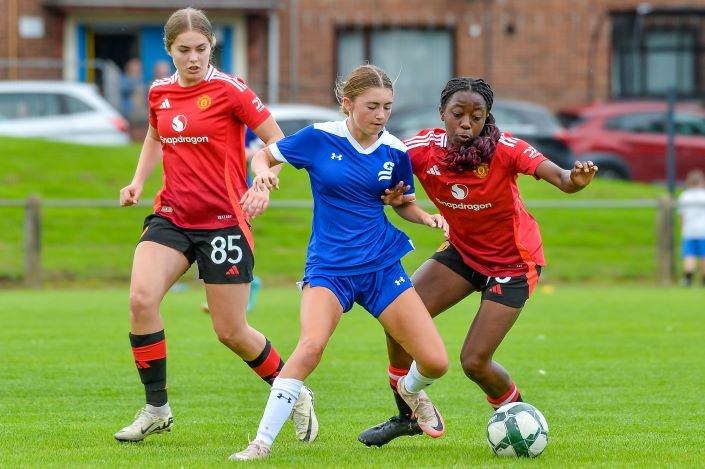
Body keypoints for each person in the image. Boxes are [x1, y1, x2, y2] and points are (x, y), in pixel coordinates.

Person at [357, 76, 598, 447]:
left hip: (512, 264)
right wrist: (392, 197)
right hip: (462, 253)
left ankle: (520, 418)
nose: (466, 123)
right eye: (458, 114)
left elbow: (562, 179)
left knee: (474, 362)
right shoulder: (420, 149)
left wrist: (575, 181)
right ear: (442, 114)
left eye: (476, 115)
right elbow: (384, 181)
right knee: (398, 316)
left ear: (488, 117)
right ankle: (409, 415)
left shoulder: (506, 149)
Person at [114, 7, 317, 445]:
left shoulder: (231, 90)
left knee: (231, 331)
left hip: (224, 221)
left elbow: (276, 141)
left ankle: (293, 391)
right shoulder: (159, 93)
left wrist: (265, 178)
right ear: (169, 50)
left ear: (212, 48)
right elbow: (154, 136)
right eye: (183, 50)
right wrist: (137, 181)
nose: (193, 58)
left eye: (201, 49)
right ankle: (156, 409)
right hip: (172, 215)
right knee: (140, 299)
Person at [230, 64, 450, 461]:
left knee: (436, 362)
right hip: (329, 268)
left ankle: (410, 390)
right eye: (372, 107)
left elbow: (403, 203)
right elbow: (262, 156)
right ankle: (260, 443)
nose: (381, 115)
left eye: (387, 107)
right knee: (311, 346)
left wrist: (428, 216)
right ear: (347, 104)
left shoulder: (395, 151)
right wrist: (261, 178)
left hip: (382, 267)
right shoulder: (318, 137)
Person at [677, 169, 705, 286]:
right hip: (703, 230)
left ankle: (688, 278)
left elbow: (681, 215)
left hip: (689, 231)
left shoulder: (684, 196)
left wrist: (683, 227)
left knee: (689, 255)